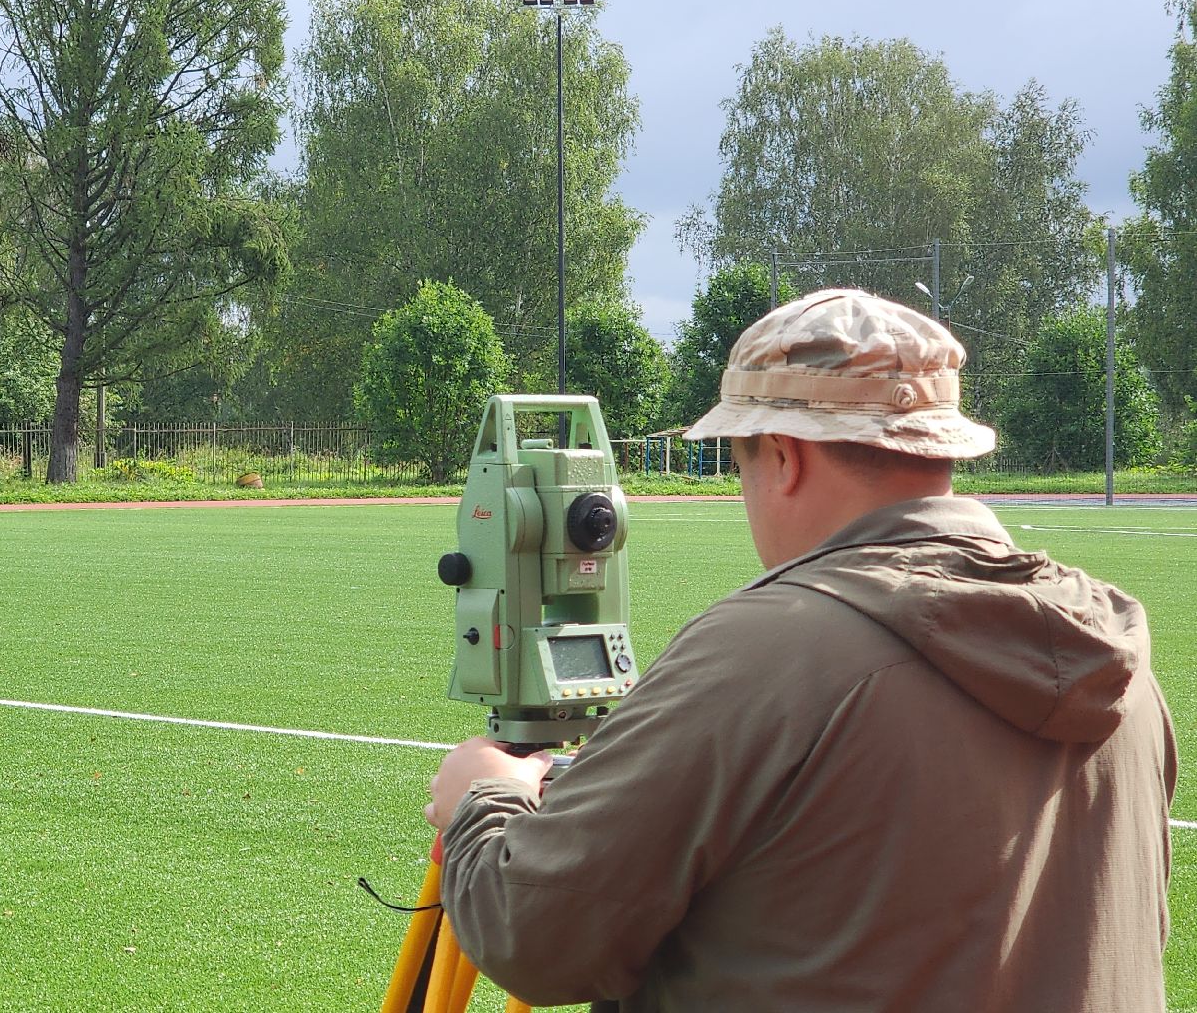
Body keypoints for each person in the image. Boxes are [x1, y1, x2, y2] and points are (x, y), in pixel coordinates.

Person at [424, 289, 1175, 1012]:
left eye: (743, 464)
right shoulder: (1114, 659)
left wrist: (483, 801)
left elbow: (539, 936)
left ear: (782, 455)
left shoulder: (763, 652)